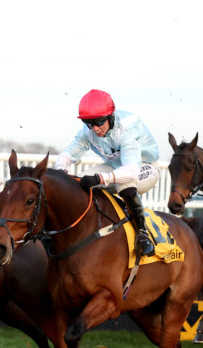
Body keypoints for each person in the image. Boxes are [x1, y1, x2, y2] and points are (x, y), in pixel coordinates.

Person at [54, 89, 160, 257]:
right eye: (89, 123)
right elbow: (69, 154)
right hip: (117, 167)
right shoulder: (88, 131)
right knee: (79, 183)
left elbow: (131, 170)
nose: (94, 128)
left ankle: (142, 234)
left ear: (110, 116)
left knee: (123, 182)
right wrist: (59, 170)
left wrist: (100, 178)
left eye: (98, 122)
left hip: (144, 168)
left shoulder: (127, 130)